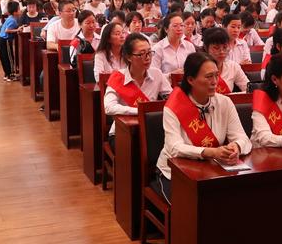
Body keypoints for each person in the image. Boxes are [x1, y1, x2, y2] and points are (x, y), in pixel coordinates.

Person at [156, 53, 252, 202]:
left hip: (211, 169)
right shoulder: (173, 107)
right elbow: (174, 147)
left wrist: (236, 147)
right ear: (190, 80)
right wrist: (211, 152)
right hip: (175, 172)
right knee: (190, 207)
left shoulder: (225, 102)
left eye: (216, 75)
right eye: (208, 77)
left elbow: (242, 138)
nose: (215, 82)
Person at [103, 33, 172, 150]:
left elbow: (171, 98)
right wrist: (139, 111)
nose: (148, 58)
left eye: (149, 52)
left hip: (151, 129)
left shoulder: (157, 74)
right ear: (128, 57)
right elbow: (109, 107)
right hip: (123, 132)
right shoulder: (118, 78)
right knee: (137, 149)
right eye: (141, 54)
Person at [202, 28, 249, 93]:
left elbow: (248, 89)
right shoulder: (199, 68)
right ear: (206, 48)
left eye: (225, 47)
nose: (221, 51)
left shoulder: (233, 66)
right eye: (216, 48)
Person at [0, 1, 21, 81]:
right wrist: (17, 30)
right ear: (15, 12)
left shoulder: (10, 18)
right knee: (9, 57)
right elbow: (7, 30)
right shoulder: (12, 20)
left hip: (0, 39)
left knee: (4, 57)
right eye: (19, 9)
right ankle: (11, 75)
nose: (20, 10)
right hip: (5, 40)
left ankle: (7, 74)